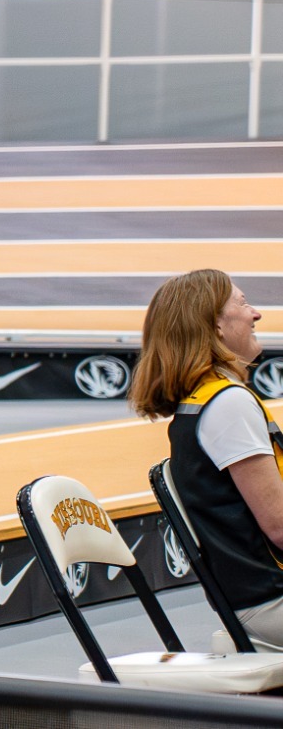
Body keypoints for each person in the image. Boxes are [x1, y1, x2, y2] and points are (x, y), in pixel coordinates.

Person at [131, 269, 283, 648]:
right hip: (270, 603)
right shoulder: (228, 404)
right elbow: (280, 527)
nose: (255, 314)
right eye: (244, 303)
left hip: (253, 598)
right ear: (215, 324)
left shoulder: (205, 402)